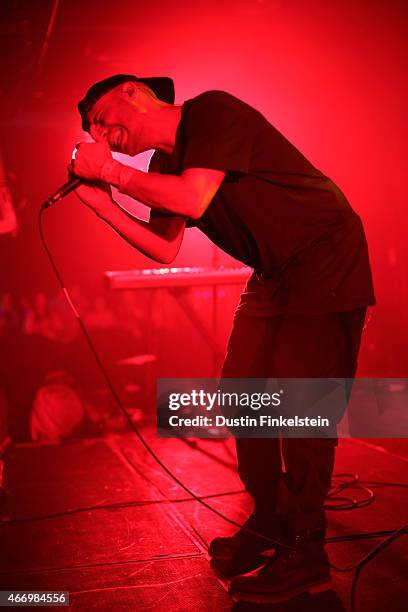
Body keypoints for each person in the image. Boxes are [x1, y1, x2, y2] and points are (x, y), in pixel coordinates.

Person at [70, 74, 375, 603]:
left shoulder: (211, 112)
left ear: (134, 92)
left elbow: (193, 197)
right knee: (242, 397)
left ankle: (307, 550)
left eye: (100, 117)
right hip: (274, 272)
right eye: (92, 130)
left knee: (300, 409)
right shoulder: (164, 165)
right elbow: (165, 247)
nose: (99, 133)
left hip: (325, 254)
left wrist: (112, 173)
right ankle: (272, 523)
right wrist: (102, 202)